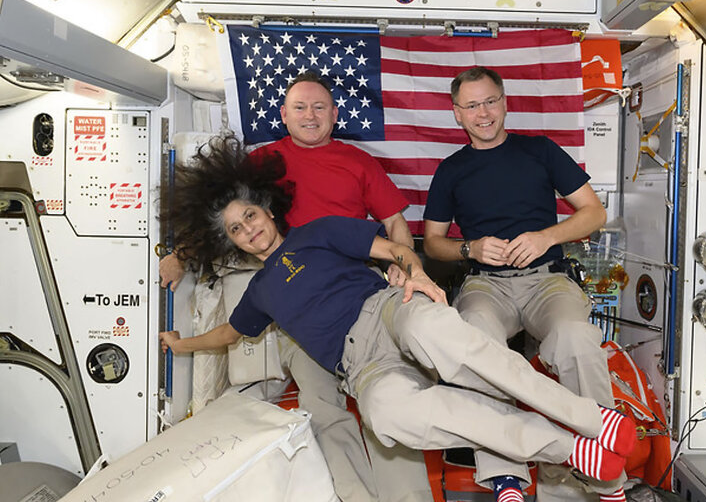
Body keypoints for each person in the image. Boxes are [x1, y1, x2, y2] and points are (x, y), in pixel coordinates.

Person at [158, 137, 637, 502]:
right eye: (237, 231)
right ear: (232, 243)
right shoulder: (260, 292)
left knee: (434, 328)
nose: (250, 230)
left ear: (266, 208)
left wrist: (416, 275)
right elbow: (229, 333)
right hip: (361, 366)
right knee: (388, 416)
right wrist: (183, 345)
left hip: (386, 311)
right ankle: (567, 448)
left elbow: (393, 247)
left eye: (250, 216)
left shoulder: (317, 231)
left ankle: (591, 419)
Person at [159, 72, 423, 502]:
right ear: (283, 115)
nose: (310, 115)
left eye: (320, 107)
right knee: (322, 409)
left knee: (394, 400)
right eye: (300, 107)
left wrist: (403, 266)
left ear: (335, 114)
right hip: (297, 304)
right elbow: (225, 215)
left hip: (362, 292)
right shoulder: (263, 162)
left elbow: (395, 225)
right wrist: (179, 255)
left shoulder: (359, 162)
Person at [422, 67, 625, 502]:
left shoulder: (540, 151)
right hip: (485, 284)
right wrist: (469, 249)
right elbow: (434, 243)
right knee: (475, 339)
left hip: (547, 279)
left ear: (506, 102)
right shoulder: (451, 170)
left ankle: (606, 474)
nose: (483, 113)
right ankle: (505, 475)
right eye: (472, 105)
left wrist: (547, 236)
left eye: (491, 101)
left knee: (576, 338)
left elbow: (594, 213)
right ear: (457, 114)